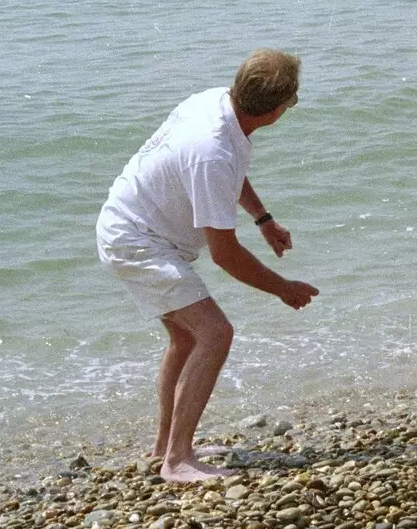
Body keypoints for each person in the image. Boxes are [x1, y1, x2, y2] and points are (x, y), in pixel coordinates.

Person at [96, 49, 319, 483]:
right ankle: (177, 461)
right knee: (215, 333)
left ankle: (166, 447)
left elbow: (226, 175)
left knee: (185, 337)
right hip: (136, 242)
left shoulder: (215, 103)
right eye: (293, 100)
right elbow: (225, 254)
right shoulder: (211, 151)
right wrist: (283, 288)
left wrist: (263, 219)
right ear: (276, 110)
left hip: (134, 227)